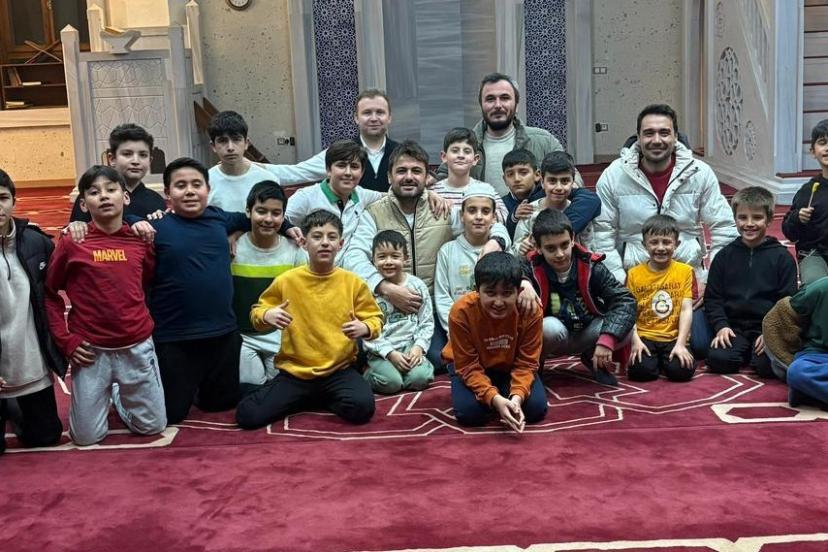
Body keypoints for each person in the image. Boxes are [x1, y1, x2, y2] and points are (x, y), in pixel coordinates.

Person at [347, 140, 512, 370]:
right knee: (353, 351)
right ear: (389, 177)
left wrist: (497, 241)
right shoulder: (374, 213)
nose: (409, 177)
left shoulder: (442, 209)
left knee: (438, 359)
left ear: (427, 177)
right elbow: (353, 257)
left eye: (416, 171)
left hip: (428, 308)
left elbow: (484, 224)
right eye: (401, 171)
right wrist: (386, 288)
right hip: (385, 306)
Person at [592, 103, 738, 357]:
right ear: (638, 137)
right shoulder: (613, 175)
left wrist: (710, 282)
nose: (656, 140)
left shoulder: (699, 173)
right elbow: (600, 234)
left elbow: (724, 227)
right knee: (622, 348)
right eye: (649, 133)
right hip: (633, 282)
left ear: (675, 136)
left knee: (701, 345)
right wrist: (618, 284)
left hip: (685, 279)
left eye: (664, 132)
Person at [46, 165, 166, 445]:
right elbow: (50, 293)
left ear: (125, 197)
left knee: (153, 426)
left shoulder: (140, 240)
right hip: (91, 351)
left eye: (111, 189)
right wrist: (66, 340)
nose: (103, 196)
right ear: (83, 204)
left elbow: (145, 281)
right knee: (85, 437)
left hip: (136, 345)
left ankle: (119, 396)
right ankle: (106, 393)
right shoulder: (73, 241)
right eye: (94, 192)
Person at [130, 158, 251, 424]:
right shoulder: (156, 228)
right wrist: (133, 219)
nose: (190, 191)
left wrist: (286, 228)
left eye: (197, 184)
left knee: (220, 404)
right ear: (167, 193)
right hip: (175, 336)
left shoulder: (219, 217)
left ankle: (200, 386)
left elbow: (252, 218)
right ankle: (123, 391)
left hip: (222, 332)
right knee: (172, 414)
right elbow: (118, 224)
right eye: (181, 185)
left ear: (208, 189)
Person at [236, 209, 383, 428]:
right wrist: (267, 314)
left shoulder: (353, 282)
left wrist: (365, 327)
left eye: (331, 237)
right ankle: (305, 396)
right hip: (295, 373)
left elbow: (376, 318)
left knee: (362, 408)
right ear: (304, 243)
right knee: (248, 415)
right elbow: (257, 312)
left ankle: (310, 398)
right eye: (317, 237)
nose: (325, 243)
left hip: (338, 371)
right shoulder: (287, 280)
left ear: (340, 244)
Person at [286, 140, 449, 265]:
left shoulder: (362, 195)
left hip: (344, 281)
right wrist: (287, 229)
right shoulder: (306, 197)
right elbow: (278, 219)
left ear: (362, 172)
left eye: (354, 167)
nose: (348, 173)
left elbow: (396, 193)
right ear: (328, 170)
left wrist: (428, 194)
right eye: (341, 166)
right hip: (309, 274)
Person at [524, 209, 637, 385]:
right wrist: (523, 282)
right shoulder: (530, 267)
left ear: (572, 239)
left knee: (626, 329)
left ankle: (593, 359)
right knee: (550, 327)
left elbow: (625, 301)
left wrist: (606, 340)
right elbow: (510, 272)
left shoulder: (592, 266)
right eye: (551, 248)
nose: (560, 254)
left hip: (587, 331)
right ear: (538, 248)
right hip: (553, 335)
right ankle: (535, 366)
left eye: (564, 245)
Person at [443, 251, 546, 431]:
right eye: (490, 293)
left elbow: (527, 362)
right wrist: (495, 399)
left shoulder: (530, 311)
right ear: (477, 290)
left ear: (519, 291)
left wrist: (517, 397)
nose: (498, 302)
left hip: (510, 366)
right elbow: (467, 366)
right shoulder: (461, 312)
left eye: (507, 293)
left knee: (535, 410)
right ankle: (496, 395)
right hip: (470, 366)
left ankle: (504, 394)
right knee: (470, 414)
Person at [0, 169, 64, 454]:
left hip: (29, 361)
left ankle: (13, 407)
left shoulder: (37, 243)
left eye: (3, 198)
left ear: (14, 201)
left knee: (45, 437)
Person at [705, 186, 798, 378]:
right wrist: (721, 326)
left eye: (757, 218)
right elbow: (713, 298)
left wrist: (772, 332)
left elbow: (787, 302)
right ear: (735, 219)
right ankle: (742, 352)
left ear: (769, 220)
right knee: (718, 359)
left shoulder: (782, 258)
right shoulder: (724, 257)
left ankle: (755, 355)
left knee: (767, 367)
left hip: (766, 327)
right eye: (742, 217)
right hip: (733, 328)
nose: (749, 224)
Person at [435, 72, 565, 195]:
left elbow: (569, 179)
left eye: (505, 98)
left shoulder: (544, 141)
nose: (498, 105)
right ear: (481, 105)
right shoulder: (465, 144)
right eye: (490, 99)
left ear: (516, 105)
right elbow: (441, 181)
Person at [232, 181, 307, 386]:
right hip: (244, 337)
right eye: (261, 211)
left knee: (281, 387)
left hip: (280, 335)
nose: (268, 219)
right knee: (250, 387)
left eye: (276, 213)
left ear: (283, 217)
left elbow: (304, 295)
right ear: (248, 212)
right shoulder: (233, 247)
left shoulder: (294, 249)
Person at [206, 110, 327, 213]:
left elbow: (275, 219)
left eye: (236, 140)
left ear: (246, 143)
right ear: (213, 146)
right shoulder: (205, 182)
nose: (230, 147)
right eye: (222, 141)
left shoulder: (267, 179)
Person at [363, 230, 434, 394]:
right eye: (382, 257)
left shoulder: (417, 286)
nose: (388, 262)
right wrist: (390, 353)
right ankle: (369, 373)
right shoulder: (368, 291)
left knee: (421, 378)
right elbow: (368, 330)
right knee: (391, 383)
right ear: (373, 260)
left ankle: (404, 375)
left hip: (409, 345)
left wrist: (418, 347)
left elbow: (427, 322)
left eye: (395, 256)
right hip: (381, 350)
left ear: (405, 258)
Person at [626, 215, 696, 382]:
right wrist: (635, 342)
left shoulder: (685, 272)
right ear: (644, 245)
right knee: (640, 372)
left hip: (673, 337)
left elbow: (686, 309)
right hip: (644, 336)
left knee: (682, 371)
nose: (660, 248)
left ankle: (666, 360)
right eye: (654, 242)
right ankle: (655, 362)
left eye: (666, 242)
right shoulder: (633, 274)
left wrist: (681, 344)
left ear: (677, 244)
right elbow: (628, 312)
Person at [434, 183, 502, 334]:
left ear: (494, 217)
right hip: (458, 330)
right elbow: (442, 298)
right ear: (461, 215)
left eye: (485, 211)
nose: (479, 217)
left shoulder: (500, 249)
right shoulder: (447, 251)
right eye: (472, 210)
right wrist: (457, 330)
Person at [69, 124, 167, 222]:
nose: (136, 161)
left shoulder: (156, 200)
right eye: (127, 154)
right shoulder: (93, 197)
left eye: (143, 155)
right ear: (112, 159)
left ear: (150, 161)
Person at [512, 151, 601, 256]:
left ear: (572, 183)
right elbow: (515, 252)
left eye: (565, 181)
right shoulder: (529, 211)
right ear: (542, 182)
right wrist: (522, 249)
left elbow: (589, 250)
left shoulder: (582, 213)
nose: (558, 187)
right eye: (552, 181)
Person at [782, 118, 828, 285]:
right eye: (822, 142)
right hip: (814, 254)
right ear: (812, 151)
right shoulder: (808, 192)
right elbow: (789, 233)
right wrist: (798, 218)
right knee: (819, 286)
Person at [430, 127, 508, 221]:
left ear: (475, 159)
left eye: (467, 151)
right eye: (455, 151)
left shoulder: (487, 190)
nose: (461, 156)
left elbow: (504, 219)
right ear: (444, 157)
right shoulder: (432, 192)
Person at [785, 277, 828, 408]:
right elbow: (787, 309)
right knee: (796, 372)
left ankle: (808, 394)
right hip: (818, 355)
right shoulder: (821, 287)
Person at [501, 149, 545, 238]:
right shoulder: (501, 205)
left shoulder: (547, 196)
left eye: (523, 173)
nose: (517, 179)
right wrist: (513, 218)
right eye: (510, 174)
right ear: (505, 180)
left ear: (537, 175)